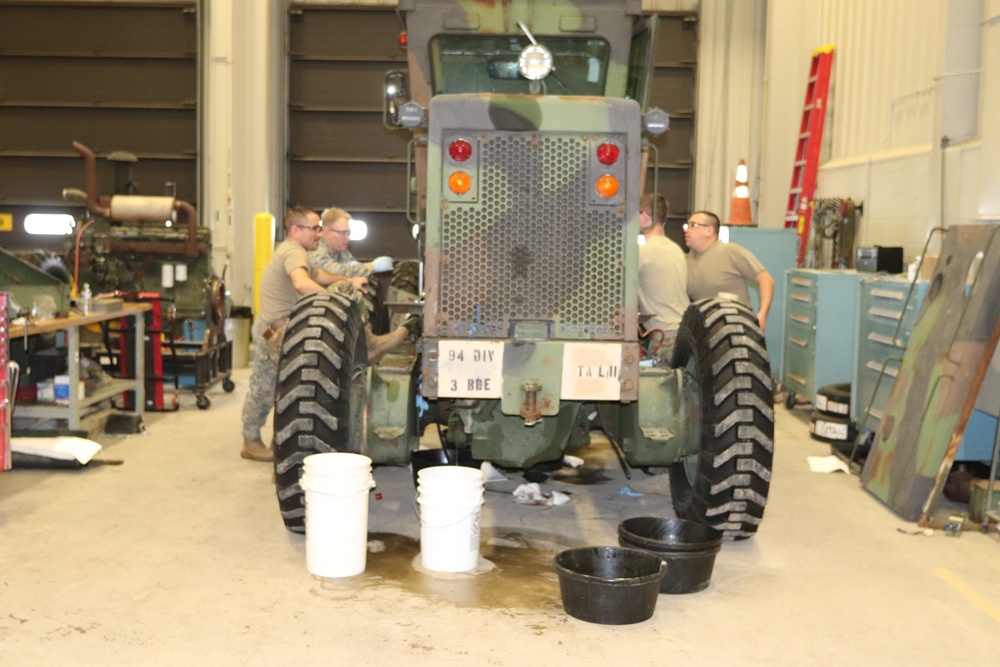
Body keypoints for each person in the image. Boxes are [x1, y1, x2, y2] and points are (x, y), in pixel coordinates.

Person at [240, 206, 407, 462]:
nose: (318, 234)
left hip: (288, 327)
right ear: (296, 230)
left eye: (319, 228)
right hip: (275, 332)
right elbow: (302, 282)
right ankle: (250, 441)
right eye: (314, 228)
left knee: (289, 387)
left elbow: (317, 274)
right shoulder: (292, 251)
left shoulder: (301, 253)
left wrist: (348, 282)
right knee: (266, 389)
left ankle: (368, 342)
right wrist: (339, 305)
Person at [683, 210, 774, 331]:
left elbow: (766, 280)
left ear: (709, 230)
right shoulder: (685, 261)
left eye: (693, 225)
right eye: (687, 225)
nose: (686, 230)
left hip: (737, 328)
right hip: (706, 331)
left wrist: (762, 315)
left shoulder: (731, 252)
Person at [637, 193, 689, 360]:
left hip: (664, 339)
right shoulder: (676, 249)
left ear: (645, 216)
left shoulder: (642, 252)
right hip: (683, 333)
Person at [310, 208, 394, 278]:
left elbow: (352, 268)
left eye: (348, 233)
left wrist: (362, 269)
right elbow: (335, 272)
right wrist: (371, 267)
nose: (347, 238)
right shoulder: (316, 249)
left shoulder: (340, 250)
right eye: (342, 233)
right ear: (327, 232)